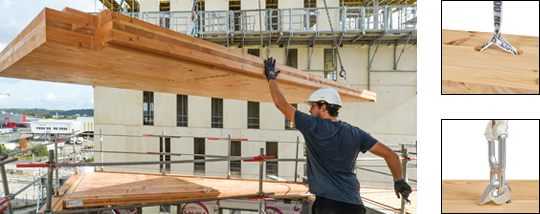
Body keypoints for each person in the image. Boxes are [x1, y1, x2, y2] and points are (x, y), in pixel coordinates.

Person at [264, 57, 412, 214]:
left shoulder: (313, 126)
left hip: (327, 205)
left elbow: (281, 104)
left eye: (312, 106)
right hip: (354, 204)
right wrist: (399, 181)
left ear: (323, 107)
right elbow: (392, 156)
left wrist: (271, 78)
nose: (309, 110)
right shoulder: (356, 133)